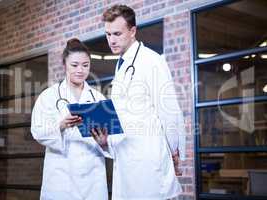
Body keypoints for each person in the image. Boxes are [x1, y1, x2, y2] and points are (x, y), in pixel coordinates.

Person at [91, 4, 186, 200]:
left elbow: (168, 111)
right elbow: (124, 116)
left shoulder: (151, 61)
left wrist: (174, 151)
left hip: (148, 162)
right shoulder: (122, 65)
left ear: (133, 31)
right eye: (108, 34)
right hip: (126, 161)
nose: (112, 40)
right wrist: (106, 141)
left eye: (117, 33)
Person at [31, 38, 108, 200]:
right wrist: (61, 125)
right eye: (74, 65)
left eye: (85, 65)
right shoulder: (49, 96)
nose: (80, 70)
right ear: (64, 64)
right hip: (61, 177)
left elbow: (111, 135)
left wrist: (104, 142)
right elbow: (37, 131)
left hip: (92, 178)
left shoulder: (98, 98)